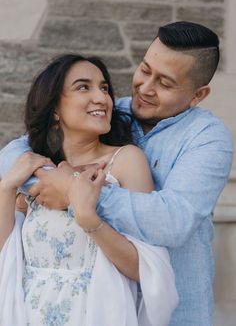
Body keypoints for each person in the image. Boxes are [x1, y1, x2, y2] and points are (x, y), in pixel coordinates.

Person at [0, 21, 233, 325]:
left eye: (165, 83)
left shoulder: (208, 138)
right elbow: (14, 154)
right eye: (145, 70)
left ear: (198, 94)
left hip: (176, 314)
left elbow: (173, 220)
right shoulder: (112, 114)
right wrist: (40, 180)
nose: (146, 88)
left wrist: (74, 191)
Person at [0, 54, 178, 326]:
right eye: (84, 87)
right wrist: (6, 187)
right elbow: (7, 254)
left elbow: (146, 267)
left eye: (104, 88)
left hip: (94, 313)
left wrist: (88, 219)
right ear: (55, 108)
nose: (101, 98)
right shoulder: (38, 170)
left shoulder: (125, 160)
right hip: (30, 312)